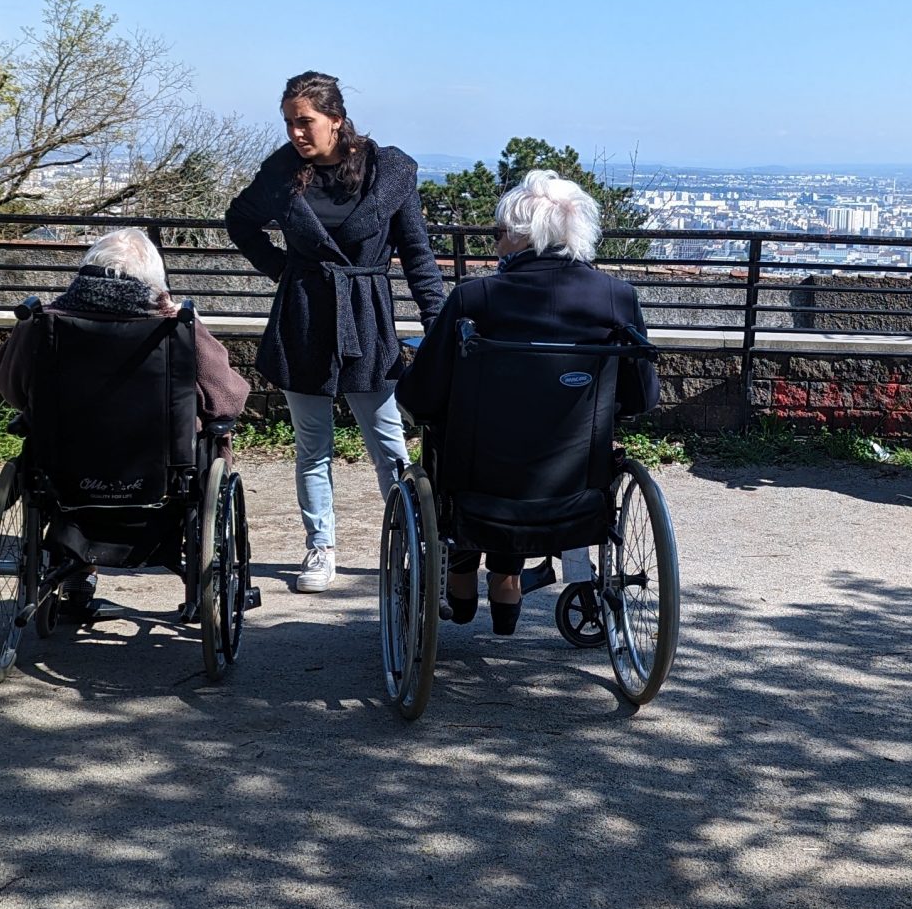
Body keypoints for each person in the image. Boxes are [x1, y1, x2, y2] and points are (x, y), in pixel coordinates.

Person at [398, 170, 657, 633]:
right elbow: (641, 398)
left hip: (478, 487)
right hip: (576, 489)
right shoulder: (617, 298)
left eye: (498, 232)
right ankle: (506, 578)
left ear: (521, 236)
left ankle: (461, 573)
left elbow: (422, 395)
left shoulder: (475, 298)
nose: (496, 241)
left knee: (456, 442)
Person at [224, 72, 446, 592]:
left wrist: (437, 320)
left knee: (389, 443)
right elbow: (240, 219)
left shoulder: (388, 171)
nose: (296, 133)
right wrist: (283, 269)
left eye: (305, 122)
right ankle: (319, 548)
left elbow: (416, 253)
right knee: (313, 444)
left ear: (336, 120)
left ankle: (408, 542)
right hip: (303, 317)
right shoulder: (281, 173)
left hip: (367, 317)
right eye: (289, 123)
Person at [0, 228, 251, 430]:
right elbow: (226, 399)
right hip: (161, 463)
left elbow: (13, 389)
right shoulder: (177, 325)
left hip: (60, 463)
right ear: (153, 277)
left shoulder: (43, 322)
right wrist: (198, 327)